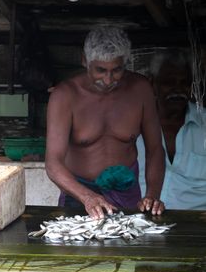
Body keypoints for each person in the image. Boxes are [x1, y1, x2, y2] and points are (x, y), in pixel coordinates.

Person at [45, 26, 166, 219]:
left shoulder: (141, 89)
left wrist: (152, 195)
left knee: (129, 246)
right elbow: (53, 163)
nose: (108, 79)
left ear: (125, 63)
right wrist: (87, 197)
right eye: (100, 70)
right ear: (85, 61)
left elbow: (155, 150)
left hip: (126, 191)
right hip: (79, 193)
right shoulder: (65, 95)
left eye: (117, 70)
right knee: (76, 248)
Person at [137, 49, 206, 209]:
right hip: (139, 221)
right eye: (169, 82)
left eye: (185, 83)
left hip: (197, 224)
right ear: (153, 84)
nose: (178, 89)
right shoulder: (131, 124)